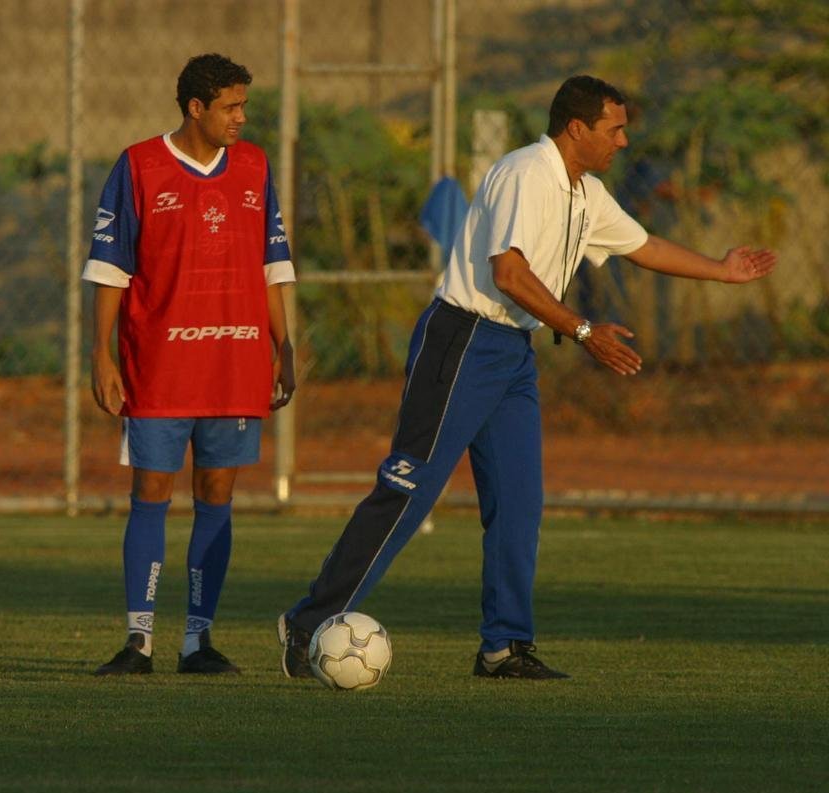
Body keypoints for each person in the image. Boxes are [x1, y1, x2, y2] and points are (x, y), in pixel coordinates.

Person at [277, 75, 776, 680]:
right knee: (409, 491)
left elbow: (643, 246)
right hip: (461, 341)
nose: (623, 141)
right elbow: (508, 274)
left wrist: (722, 272)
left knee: (518, 502)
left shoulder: (585, 192)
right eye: (613, 129)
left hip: (514, 352)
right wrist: (584, 331)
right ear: (577, 129)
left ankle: (503, 647)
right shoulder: (525, 174)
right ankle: (307, 622)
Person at [84, 53, 296, 676]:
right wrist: (101, 354)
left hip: (236, 361)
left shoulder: (255, 165)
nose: (241, 118)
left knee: (217, 494)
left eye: (244, 107)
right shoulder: (139, 165)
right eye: (231, 107)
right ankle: (139, 641)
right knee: (151, 492)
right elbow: (109, 271)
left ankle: (197, 642)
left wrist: (284, 348)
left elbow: (272, 267)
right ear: (195, 108)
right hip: (159, 365)